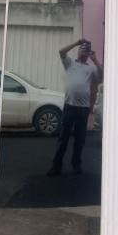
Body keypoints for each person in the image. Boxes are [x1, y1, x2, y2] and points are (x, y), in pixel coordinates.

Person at [47, 38, 102, 176]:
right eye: (82, 49)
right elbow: (61, 52)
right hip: (69, 106)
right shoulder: (70, 63)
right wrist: (77, 42)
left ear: (88, 53)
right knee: (63, 138)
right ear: (78, 50)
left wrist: (95, 59)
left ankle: (76, 165)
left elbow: (101, 76)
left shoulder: (90, 68)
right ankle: (56, 166)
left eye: (86, 50)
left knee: (80, 140)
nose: (84, 51)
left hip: (83, 109)